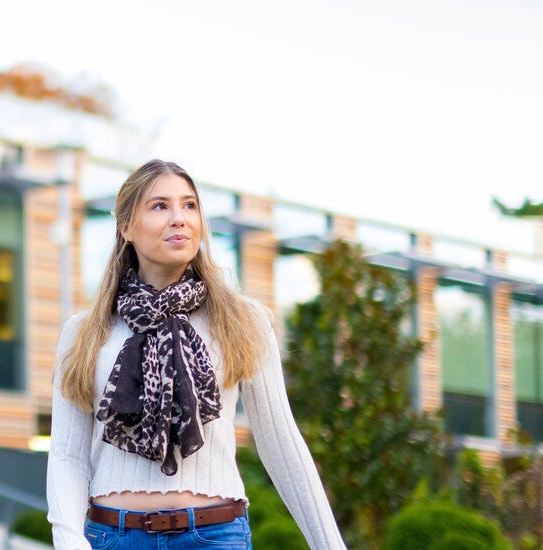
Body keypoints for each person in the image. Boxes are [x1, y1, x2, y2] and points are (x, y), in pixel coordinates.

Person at [46, 160, 345, 549]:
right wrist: (69, 540)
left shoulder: (243, 321)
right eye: (160, 206)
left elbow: (281, 444)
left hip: (215, 535)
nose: (179, 218)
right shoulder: (85, 331)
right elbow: (67, 456)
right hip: (114, 537)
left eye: (189, 205)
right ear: (126, 227)